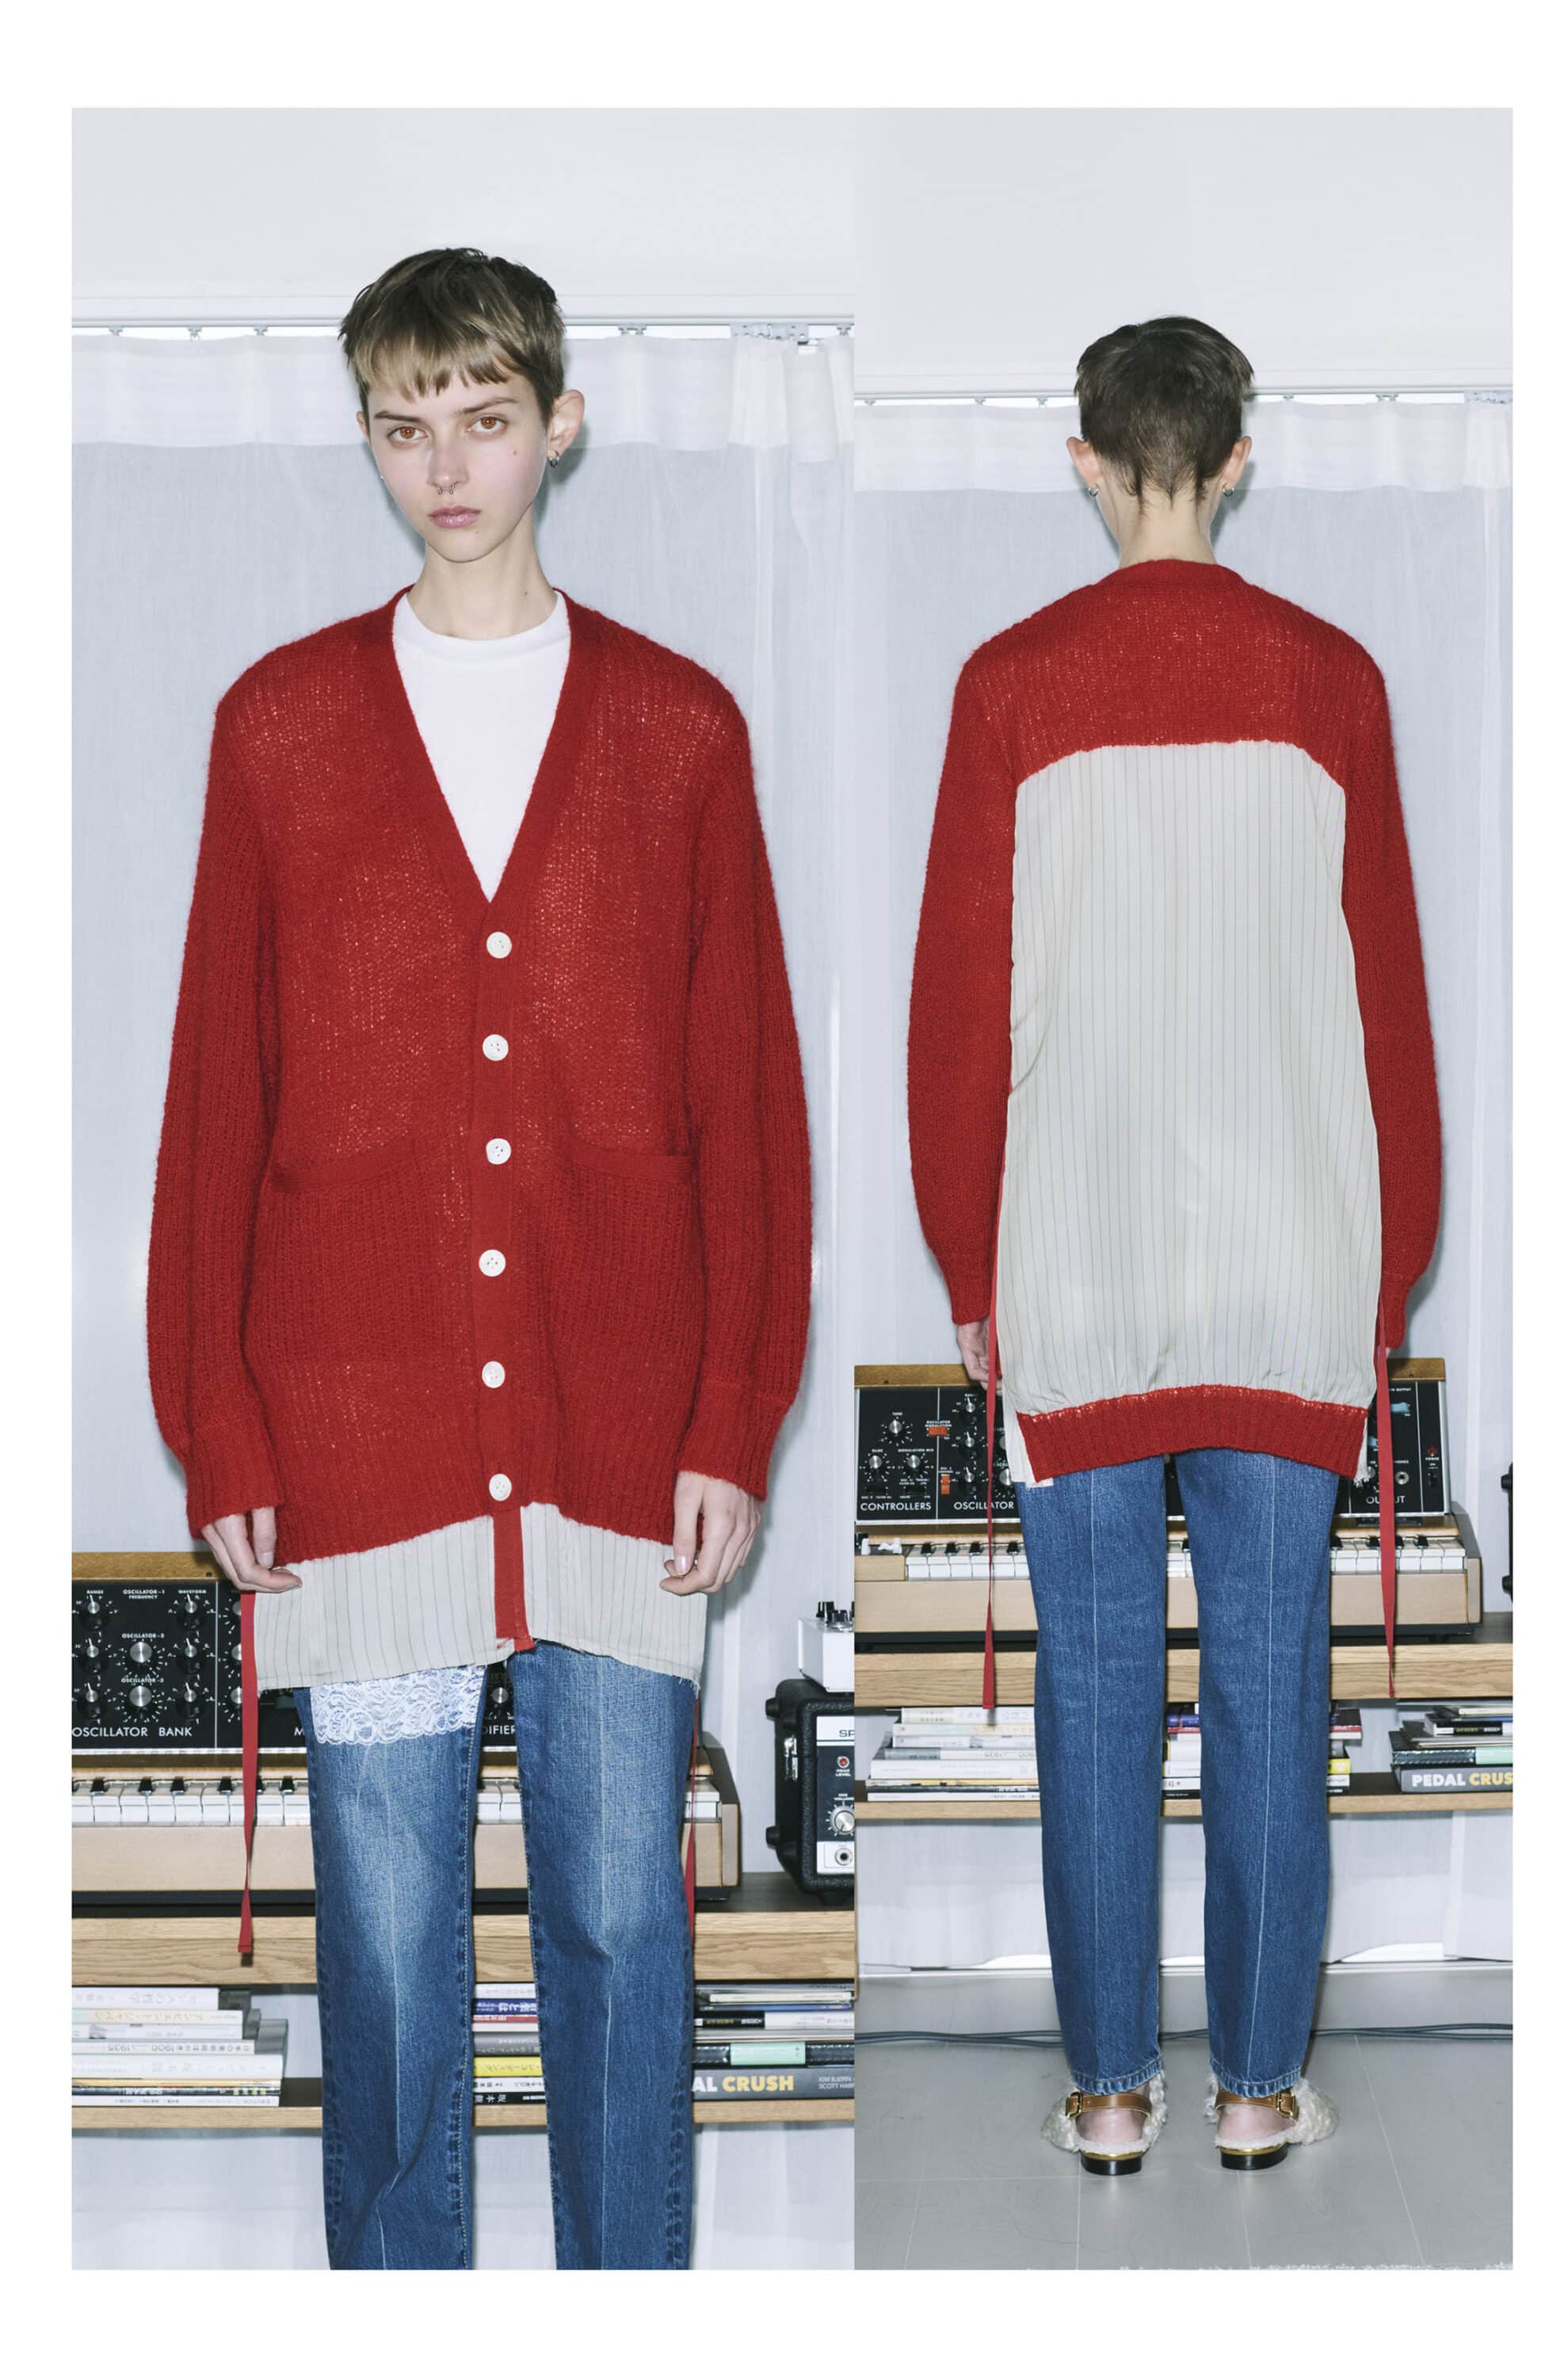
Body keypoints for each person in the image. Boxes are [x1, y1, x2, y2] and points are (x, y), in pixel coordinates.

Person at [146, 246, 812, 2265]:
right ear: (366, 437)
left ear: (560, 425)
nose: (445, 469)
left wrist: (732, 1411)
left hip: (619, 1434)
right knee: (387, 1950)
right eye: (402, 428)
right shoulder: (279, 728)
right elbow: (217, 1098)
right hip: (356, 1446)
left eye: (485, 421)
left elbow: (746, 1105)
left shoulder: (677, 730)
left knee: (619, 1925)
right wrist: (216, 1420)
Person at [906, 316, 1440, 2176]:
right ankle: (1260, 2091)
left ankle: (1112, 2092)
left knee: (1094, 1693)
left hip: (1077, 1263)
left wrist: (967, 1266)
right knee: (1273, 1688)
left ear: (1085, 456)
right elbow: (1388, 1007)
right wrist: (1391, 1271)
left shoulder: (1008, 684)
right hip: (1293, 1264)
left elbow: (957, 1014)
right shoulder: (1332, 680)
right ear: (1233, 458)